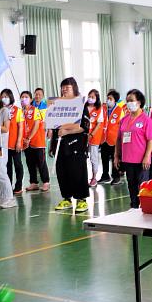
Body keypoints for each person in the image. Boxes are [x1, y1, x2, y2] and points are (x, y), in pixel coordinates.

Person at [49, 77, 90, 213]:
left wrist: (67, 131)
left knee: (77, 172)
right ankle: (66, 198)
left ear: (74, 88)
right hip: (61, 145)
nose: (64, 89)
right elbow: (54, 126)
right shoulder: (56, 104)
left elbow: (84, 127)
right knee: (62, 172)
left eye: (68, 87)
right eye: (63, 87)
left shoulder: (81, 104)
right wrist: (53, 139)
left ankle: (81, 200)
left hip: (76, 145)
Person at [115, 89, 152, 209]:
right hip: (128, 159)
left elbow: (151, 139)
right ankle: (133, 207)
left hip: (141, 160)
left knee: (142, 187)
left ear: (139, 102)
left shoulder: (146, 120)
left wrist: (147, 156)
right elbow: (118, 139)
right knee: (131, 185)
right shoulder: (124, 119)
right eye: (127, 101)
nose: (129, 103)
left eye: (131, 100)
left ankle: (145, 208)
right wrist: (117, 155)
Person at [21, 90, 50, 192]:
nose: (24, 99)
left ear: (30, 99)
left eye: (26, 97)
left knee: (41, 162)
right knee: (30, 163)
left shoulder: (35, 110)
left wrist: (29, 138)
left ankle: (46, 182)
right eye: (22, 97)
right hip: (25, 142)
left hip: (37, 140)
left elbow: (37, 124)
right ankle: (34, 183)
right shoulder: (21, 112)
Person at [1, 88, 25, 195]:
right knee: (7, 166)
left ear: (10, 97)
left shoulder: (18, 110)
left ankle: (19, 186)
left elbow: (20, 127)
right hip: (4, 144)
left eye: (6, 96)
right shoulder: (0, 110)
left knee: (18, 165)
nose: (3, 98)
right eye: (2, 97)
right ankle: (8, 186)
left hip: (15, 143)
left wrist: (19, 141)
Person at [100, 89, 126, 185]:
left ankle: (116, 177)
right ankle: (105, 176)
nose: (108, 100)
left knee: (115, 159)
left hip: (114, 139)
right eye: (107, 98)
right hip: (103, 139)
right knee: (104, 158)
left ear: (115, 100)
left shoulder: (120, 110)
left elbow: (122, 125)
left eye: (110, 98)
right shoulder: (104, 109)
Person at [86, 89, 106, 187]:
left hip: (94, 136)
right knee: (82, 157)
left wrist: (91, 134)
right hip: (83, 136)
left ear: (97, 98)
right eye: (89, 96)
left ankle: (94, 177)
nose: (90, 98)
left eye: (93, 97)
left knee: (94, 157)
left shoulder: (99, 108)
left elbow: (99, 123)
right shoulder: (84, 107)